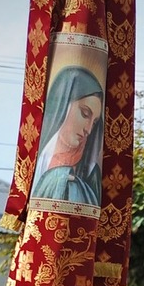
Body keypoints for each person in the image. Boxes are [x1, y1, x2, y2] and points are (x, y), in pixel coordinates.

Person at [30, 66, 106, 207]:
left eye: (94, 122)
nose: (88, 129)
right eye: (85, 114)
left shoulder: (92, 173)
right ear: (63, 106)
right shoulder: (33, 160)